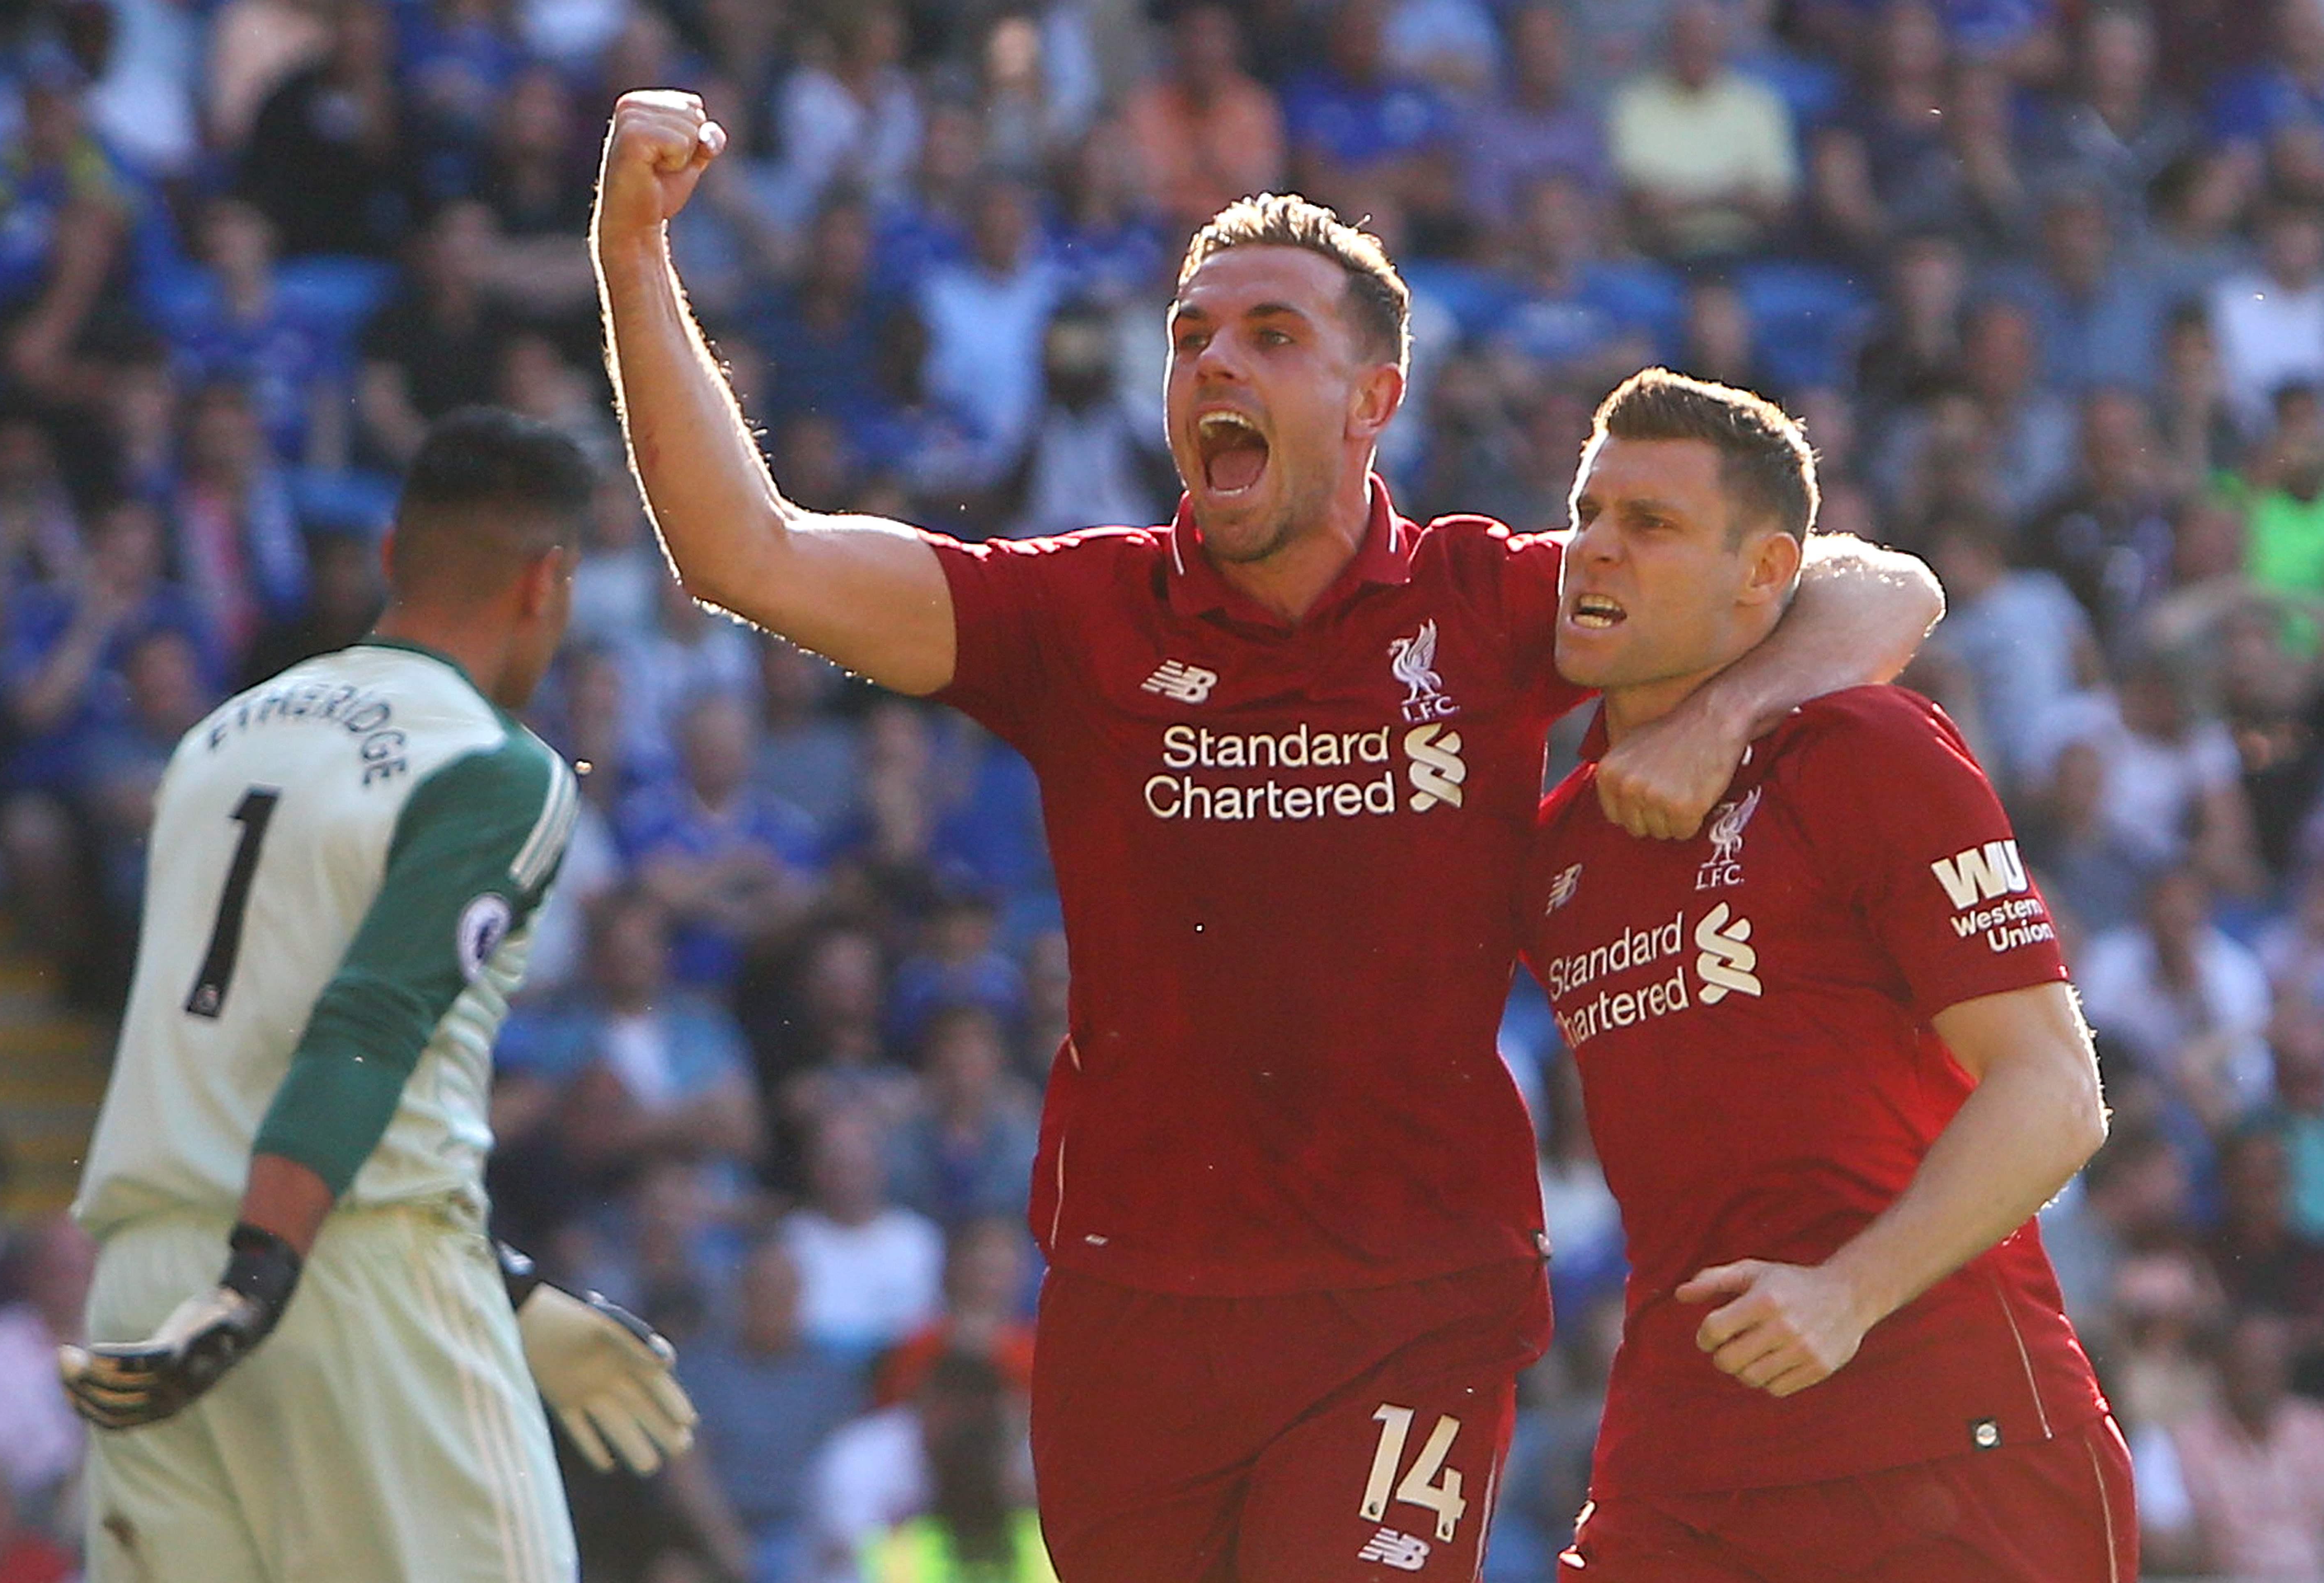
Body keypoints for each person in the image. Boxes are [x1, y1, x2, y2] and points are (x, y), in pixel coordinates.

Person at [594, 92, 1941, 1581]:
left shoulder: (1490, 604)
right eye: (1190, 337)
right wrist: (633, 250)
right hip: (1135, 1310)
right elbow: (745, 552)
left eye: (1272, 337)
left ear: (1377, 401)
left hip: (1412, 1301)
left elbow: (1875, 588)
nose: (1214, 359)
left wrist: (1715, 722)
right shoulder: (1078, 616)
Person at [58, 409, 696, 1583]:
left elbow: (249, 1038)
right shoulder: (496, 768)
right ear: (548, 581)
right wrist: (264, 1275)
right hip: (340, 1272)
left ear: (394, 552)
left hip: (148, 1283)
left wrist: (504, 1292)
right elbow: (368, 1020)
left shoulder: (213, 744)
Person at [1517, 369, 2132, 1580]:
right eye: (1588, 514)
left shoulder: (1865, 748)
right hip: (1678, 1467)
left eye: (1652, 525)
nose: (1595, 550)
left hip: (1955, 1452)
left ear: (1764, 574)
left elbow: (2056, 1095)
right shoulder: (1558, 848)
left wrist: (1849, 1293)